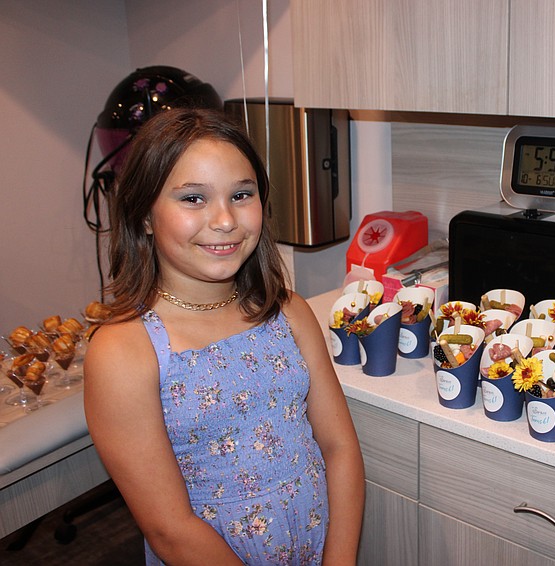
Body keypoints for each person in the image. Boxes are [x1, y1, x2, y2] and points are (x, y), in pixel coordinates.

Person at [84, 107, 365, 565]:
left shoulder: (287, 312)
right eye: (193, 198)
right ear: (145, 216)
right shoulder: (125, 350)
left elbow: (340, 448)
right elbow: (170, 529)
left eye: (241, 194)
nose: (225, 219)